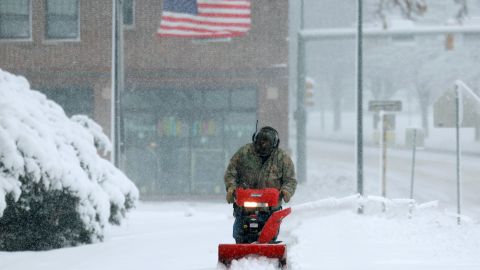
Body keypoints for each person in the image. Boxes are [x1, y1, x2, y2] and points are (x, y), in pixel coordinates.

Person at [224, 126, 297, 243]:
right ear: (255, 139)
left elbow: (290, 180)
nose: (262, 145)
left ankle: (268, 250)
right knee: (239, 233)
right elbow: (231, 172)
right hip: (244, 206)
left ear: (274, 144)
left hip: (270, 208)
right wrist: (231, 188)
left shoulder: (282, 158)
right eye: (260, 141)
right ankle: (240, 250)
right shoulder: (244, 153)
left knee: (269, 236)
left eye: (266, 142)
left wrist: (285, 191)